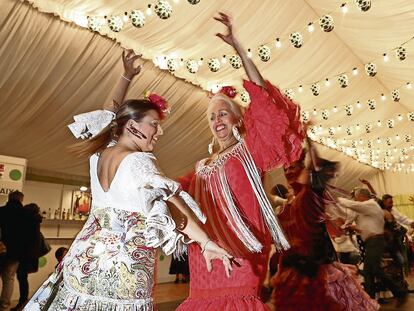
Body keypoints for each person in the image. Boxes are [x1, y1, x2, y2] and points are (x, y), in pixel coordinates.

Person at [24, 50, 232, 310]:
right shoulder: (139, 162)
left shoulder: (100, 154)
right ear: (133, 126)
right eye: (153, 124)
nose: (159, 131)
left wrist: (126, 76)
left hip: (83, 262)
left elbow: (110, 114)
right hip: (122, 271)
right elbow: (174, 208)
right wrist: (206, 242)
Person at [178, 13, 305, 310]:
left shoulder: (251, 149)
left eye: (223, 113)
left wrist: (238, 47)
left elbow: (263, 99)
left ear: (237, 118)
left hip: (243, 246)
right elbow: (174, 195)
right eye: (212, 116)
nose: (216, 119)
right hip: (207, 250)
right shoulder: (200, 166)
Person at [272, 137, 378, 311]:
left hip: (320, 270)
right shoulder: (288, 204)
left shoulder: (310, 193)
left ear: (303, 169)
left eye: (293, 167)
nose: (289, 171)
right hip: (296, 272)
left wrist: (309, 145)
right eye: (285, 169)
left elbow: (327, 169)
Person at [338, 188, 408, 306]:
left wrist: (337, 198)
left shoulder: (370, 204)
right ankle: (369, 301)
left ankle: (399, 292)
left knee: (374, 269)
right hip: (371, 242)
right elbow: (351, 218)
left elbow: (352, 205)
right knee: (369, 272)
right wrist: (346, 225)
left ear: (361, 196)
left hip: (376, 241)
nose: (355, 199)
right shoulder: (365, 209)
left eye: (356, 196)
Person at [11, 203, 43, 311]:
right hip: (31, 256)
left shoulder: (27, 222)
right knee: (23, 278)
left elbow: (23, 240)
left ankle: (22, 302)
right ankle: (23, 301)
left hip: (25, 256)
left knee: (22, 278)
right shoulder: (35, 222)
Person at [0, 191, 26, 311]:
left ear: (9, 198)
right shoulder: (23, 213)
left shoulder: (1, 211)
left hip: (0, 248)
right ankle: (4, 306)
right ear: (21, 199)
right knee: (8, 279)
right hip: (15, 253)